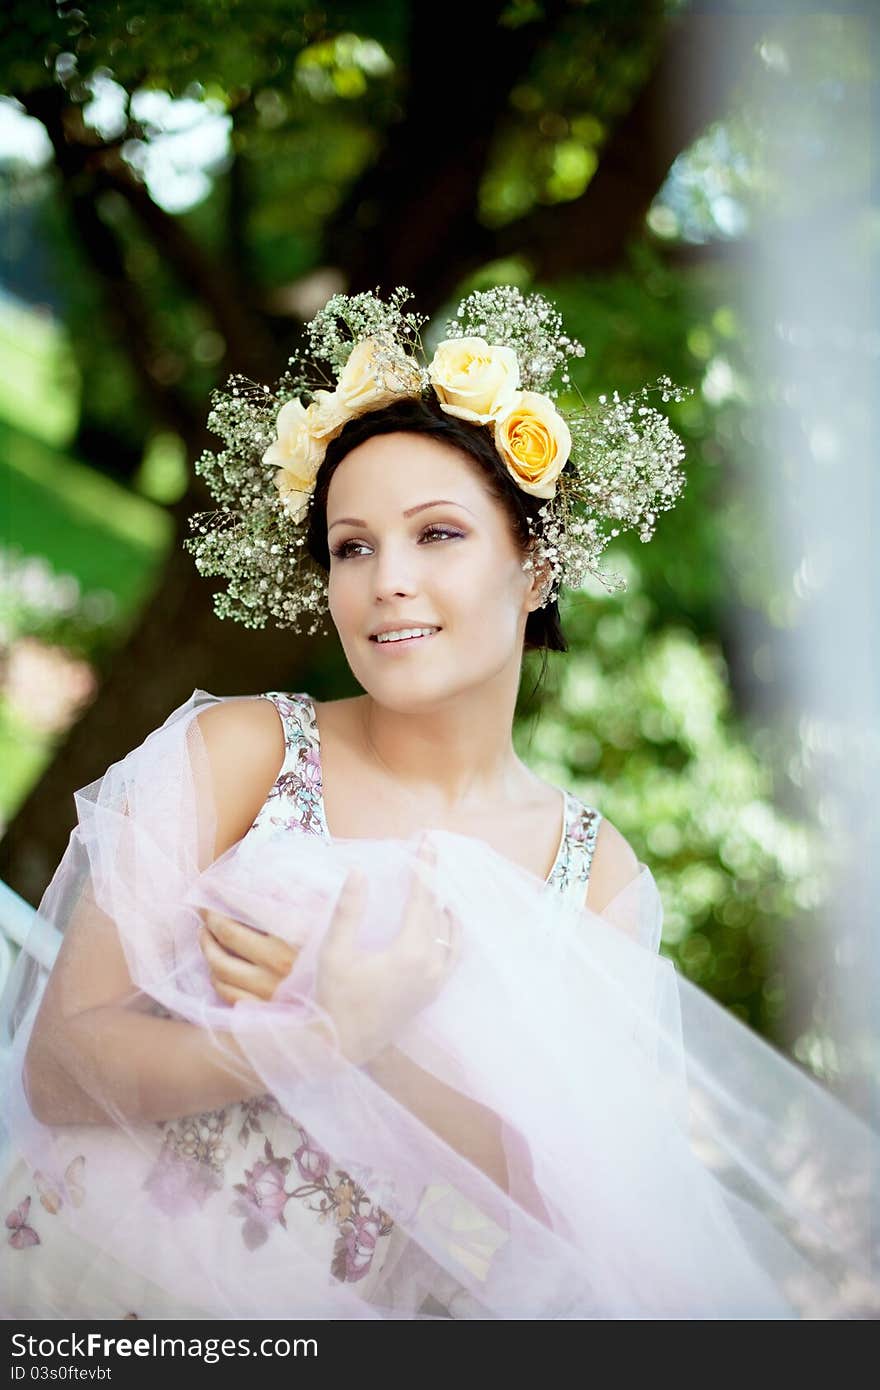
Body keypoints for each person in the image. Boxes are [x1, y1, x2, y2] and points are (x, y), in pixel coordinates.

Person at [1, 287, 877, 1320]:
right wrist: (311, 1036)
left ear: (535, 564)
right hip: (74, 1278)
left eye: (438, 534)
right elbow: (60, 1067)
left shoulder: (590, 876)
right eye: (352, 546)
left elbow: (556, 1211)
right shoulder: (239, 753)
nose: (387, 583)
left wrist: (367, 1042)